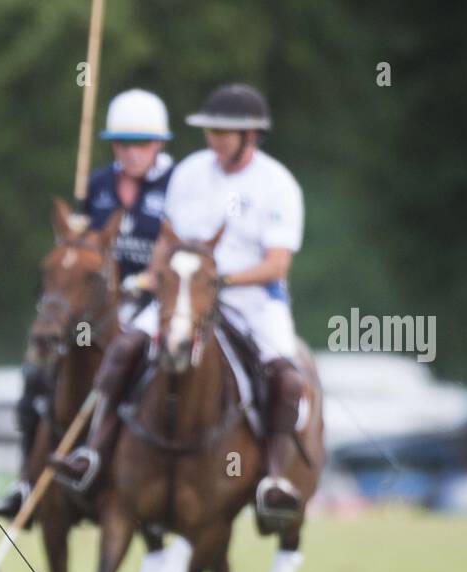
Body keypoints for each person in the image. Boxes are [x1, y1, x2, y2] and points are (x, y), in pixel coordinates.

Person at [51, 83, 307, 523]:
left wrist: (221, 279)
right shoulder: (189, 173)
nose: (214, 139)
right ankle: (92, 455)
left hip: (253, 300)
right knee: (124, 350)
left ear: (251, 135)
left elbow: (277, 265)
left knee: (286, 378)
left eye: (224, 132)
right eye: (210, 130)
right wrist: (150, 278)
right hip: (184, 293)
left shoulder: (278, 184)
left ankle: (275, 477)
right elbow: (166, 244)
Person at [0, 88, 174, 517]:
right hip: (98, 301)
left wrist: (144, 280)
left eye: (140, 143)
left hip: (151, 301)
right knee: (39, 373)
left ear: (159, 144)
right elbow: (83, 241)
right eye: (122, 143)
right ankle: (25, 480)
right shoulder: (99, 184)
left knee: (160, 377)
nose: (130, 152)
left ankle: (161, 481)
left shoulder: (177, 185)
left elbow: (180, 250)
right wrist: (72, 232)